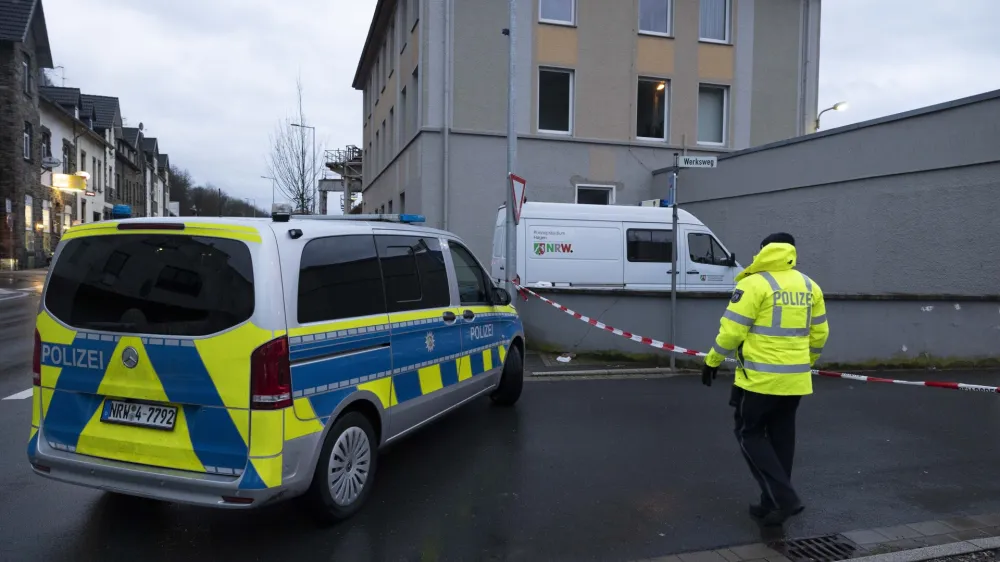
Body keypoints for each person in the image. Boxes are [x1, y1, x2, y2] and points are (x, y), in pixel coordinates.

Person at [700, 232, 830, 527]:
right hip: (795, 381)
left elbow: (732, 331)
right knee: (782, 439)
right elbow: (820, 334)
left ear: (762, 252)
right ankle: (770, 502)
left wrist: (712, 361)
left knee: (749, 434)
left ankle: (785, 498)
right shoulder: (811, 286)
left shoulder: (753, 284)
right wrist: (804, 363)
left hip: (759, 380)